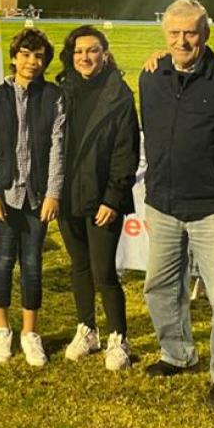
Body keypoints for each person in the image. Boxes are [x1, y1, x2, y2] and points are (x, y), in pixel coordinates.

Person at [139, 0, 214, 407]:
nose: (182, 41)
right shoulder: (151, 76)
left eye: (190, 32)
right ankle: (177, 353)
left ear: (205, 34)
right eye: (174, 33)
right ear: (164, 34)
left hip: (213, 203)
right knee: (160, 287)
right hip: (163, 202)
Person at [54, 25, 139, 371]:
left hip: (102, 197)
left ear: (105, 54)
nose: (85, 57)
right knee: (79, 267)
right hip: (67, 196)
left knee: (104, 271)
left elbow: (125, 151)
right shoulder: (61, 91)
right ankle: (87, 328)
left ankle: (119, 337)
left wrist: (113, 197)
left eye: (92, 50)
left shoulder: (119, 95)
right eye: (78, 52)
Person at [0, 27, 64, 367]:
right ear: (14, 58)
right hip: (5, 193)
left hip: (39, 195)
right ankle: (2, 328)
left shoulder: (54, 97)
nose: (32, 62)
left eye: (39, 56)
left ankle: (30, 332)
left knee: (32, 264)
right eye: (26, 55)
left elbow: (59, 147)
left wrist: (54, 193)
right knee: (3, 261)